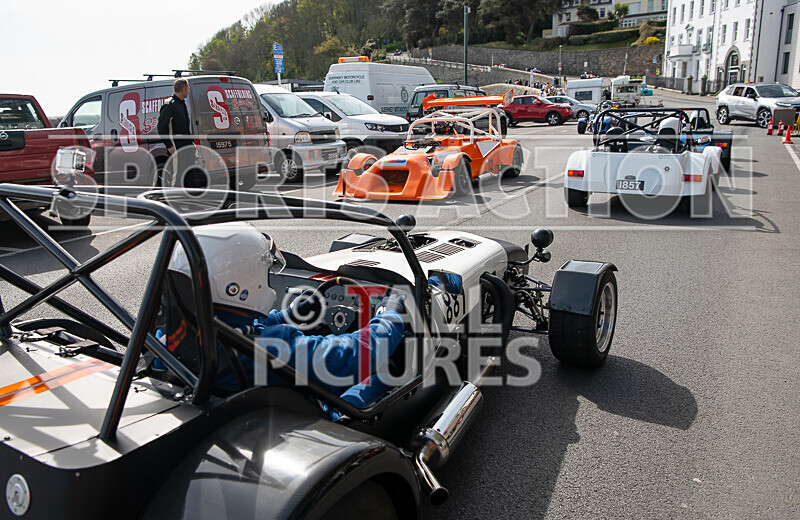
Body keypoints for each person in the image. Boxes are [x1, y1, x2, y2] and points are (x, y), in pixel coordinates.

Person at [165, 222, 405, 408]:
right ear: (235, 283)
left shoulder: (175, 333)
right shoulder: (273, 346)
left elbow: (243, 325)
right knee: (385, 370)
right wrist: (388, 315)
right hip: (303, 421)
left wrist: (289, 314)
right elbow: (356, 354)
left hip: (232, 410)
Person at [157, 78, 200, 187]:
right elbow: (162, 127)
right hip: (176, 147)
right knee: (177, 177)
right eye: (188, 88)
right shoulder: (170, 104)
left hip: (186, 146)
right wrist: (169, 145)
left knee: (188, 175)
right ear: (183, 89)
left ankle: (188, 199)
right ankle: (173, 199)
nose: (189, 91)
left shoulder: (182, 104)